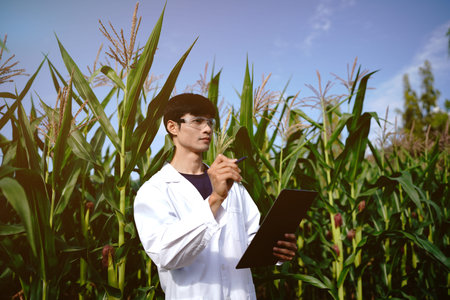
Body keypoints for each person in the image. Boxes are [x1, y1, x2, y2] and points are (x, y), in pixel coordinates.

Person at [134, 93, 297, 299]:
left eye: (210, 122)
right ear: (172, 127)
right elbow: (166, 255)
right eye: (197, 121)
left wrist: (277, 251)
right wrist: (215, 199)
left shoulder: (234, 185)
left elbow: (251, 240)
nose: (208, 129)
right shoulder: (154, 190)